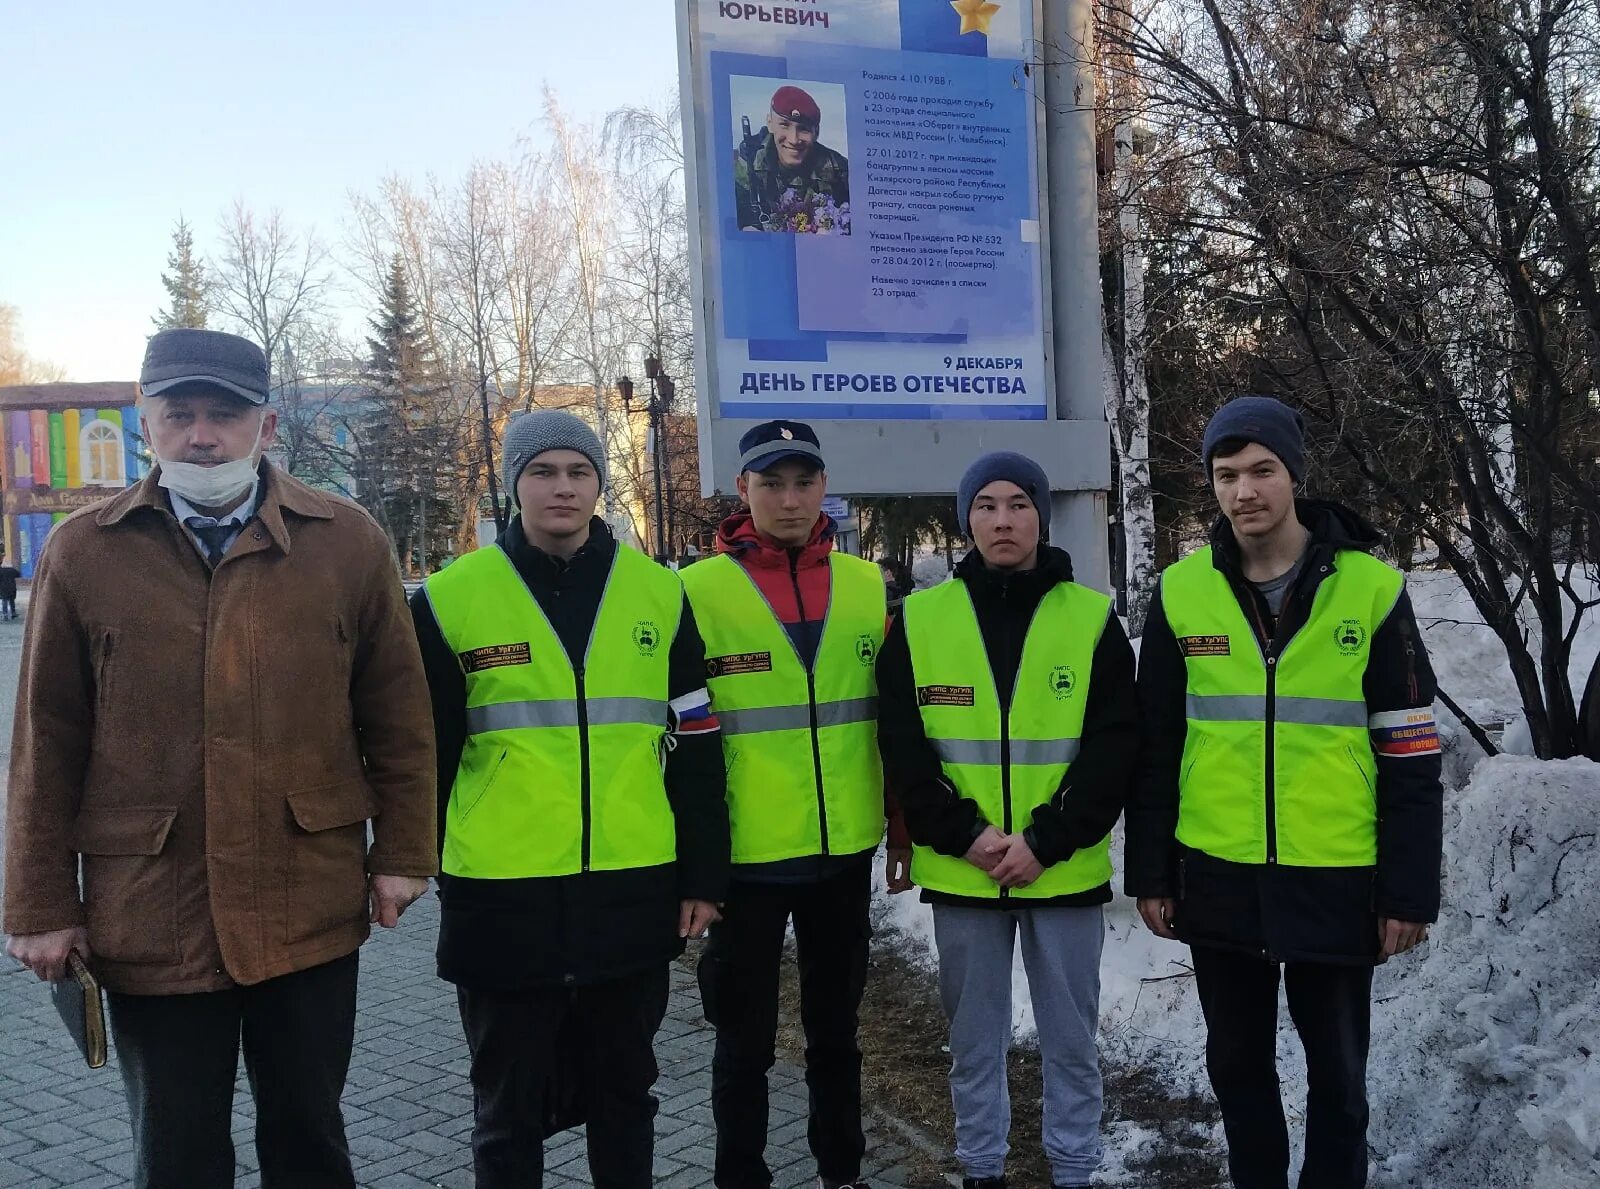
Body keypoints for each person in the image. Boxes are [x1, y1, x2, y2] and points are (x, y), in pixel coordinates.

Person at [2, 327, 437, 1189]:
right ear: (147, 422)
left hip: (306, 896)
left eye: (225, 415)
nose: (202, 435)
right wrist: (40, 901)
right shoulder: (84, 552)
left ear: (266, 425)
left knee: (310, 1139)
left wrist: (403, 853)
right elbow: (44, 742)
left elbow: (398, 714)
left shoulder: (346, 542)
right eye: (180, 414)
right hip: (152, 912)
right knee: (177, 1155)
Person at [1125, 396, 1444, 1189]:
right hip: (1220, 874)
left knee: (1339, 1078)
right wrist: (1153, 872)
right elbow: (1156, 748)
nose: (1244, 490)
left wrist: (1409, 890)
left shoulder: (1371, 591)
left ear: (1295, 473)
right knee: (1237, 1067)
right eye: (1226, 473)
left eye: (1262, 469)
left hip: (1335, 874)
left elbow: (1409, 754)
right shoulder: (1180, 593)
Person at [411, 408, 729, 1189]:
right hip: (501, 895)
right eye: (543, 471)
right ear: (515, 482)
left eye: (578, 471)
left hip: (631, 887)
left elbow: (697, 740)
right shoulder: (451, 599)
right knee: (506, 1112)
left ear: (600, 483)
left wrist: (702, 875)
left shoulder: (660, 594)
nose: (562, 487)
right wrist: (413, 861)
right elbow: (424, 755)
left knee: (626, 1098)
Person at [876, 451, 1137, 1189]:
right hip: (966, 870)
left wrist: (1047, 839)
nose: (1002, 518)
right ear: (966, 519)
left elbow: (1115, 743)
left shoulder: (1089, 618)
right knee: (973, 1040)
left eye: (1018, 503)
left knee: (1071, 1042)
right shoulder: (921, 619)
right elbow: (902, 744)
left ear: (1040, 516)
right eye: (985, 504)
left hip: (1060, 870)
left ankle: (1075, 1169)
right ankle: (982, 1168)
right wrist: (966, 833)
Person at [680, 419, 887, 1189]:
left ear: (824, 487)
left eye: (804, 482)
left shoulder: (868, 586)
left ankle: (843, 1172)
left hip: (841, 851)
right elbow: (681, 735)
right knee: (744, 1044)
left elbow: (889, 721)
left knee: (837, 1035)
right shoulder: (696, 591)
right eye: (772, 483)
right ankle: (742, 1176)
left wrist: (895, 828)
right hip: (747, 860)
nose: (790, 498)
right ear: (743, 490)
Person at [735, 85, 851, 232]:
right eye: (784, 125)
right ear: (770, 124)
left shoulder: (840, 171)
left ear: (817, 132)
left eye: (804, 129)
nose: (794, 139)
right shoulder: (749, 162)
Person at [0, 552, 19, 620]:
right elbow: (18, 574)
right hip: (12, 587)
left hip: (3, 588)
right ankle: (13, 613)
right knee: (12, 600)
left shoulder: (1, 570)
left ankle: (5, 614)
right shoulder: (12, 570)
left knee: (4, 601)